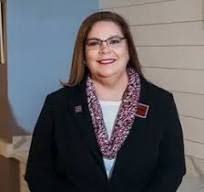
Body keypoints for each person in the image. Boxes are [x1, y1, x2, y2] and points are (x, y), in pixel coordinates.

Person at [25, 11, 186, 192]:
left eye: (114, 41)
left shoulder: (161, 103)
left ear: (128, 49)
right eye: (94, 43)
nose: (105, 49)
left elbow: (173, 168)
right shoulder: (57, 104)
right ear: (84, 56)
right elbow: (37, 172)